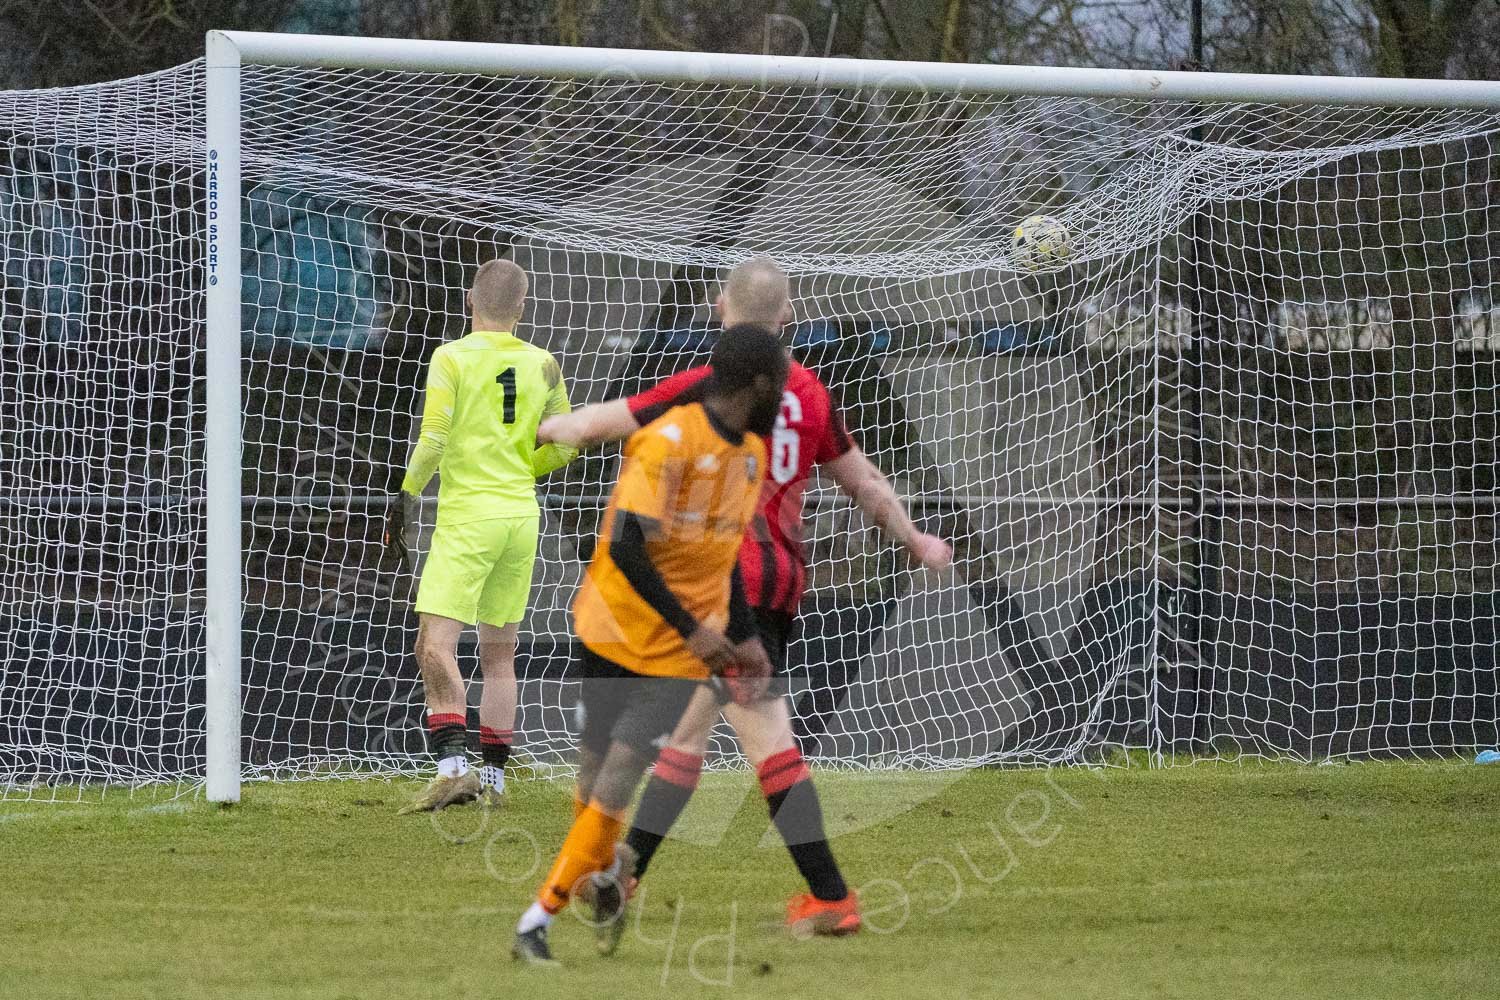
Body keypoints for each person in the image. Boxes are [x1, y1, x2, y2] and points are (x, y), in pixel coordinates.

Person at [537, 257, 951, 946]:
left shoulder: (708, 386)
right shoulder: (813, 396)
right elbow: (865, 481)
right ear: (788, 318)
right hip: (781, 588)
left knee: (764, 739)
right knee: (689, 738)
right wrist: (916, 540)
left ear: (720, 312)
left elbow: (605, 423)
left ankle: (831, 897)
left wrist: (551, 430)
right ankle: (623, 870)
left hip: (723, 589)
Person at [512, 326, 788, 966]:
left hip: (675, 657)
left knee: (616, 779)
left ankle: (536, 920)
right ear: (757, 384)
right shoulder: (668, 442)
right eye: (779, 378)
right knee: (591, 773)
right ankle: (602, 871)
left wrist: (743, 638)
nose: (784, 390)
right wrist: (700, 630)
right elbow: (627, 547)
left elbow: (720, 564)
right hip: (611, 626)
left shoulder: (751, 456)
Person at [385, 258, 577, 814]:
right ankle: (493, 780)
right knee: (499, 656)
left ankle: (452, 769)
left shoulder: (451, 357)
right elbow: (565, 445)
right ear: (521, 307)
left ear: (471, 299)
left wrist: (405, 494)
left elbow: (434, 439)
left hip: (468, 518)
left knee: (434, 644)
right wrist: (519, 467)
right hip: (520, 519)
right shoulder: (544, 363)